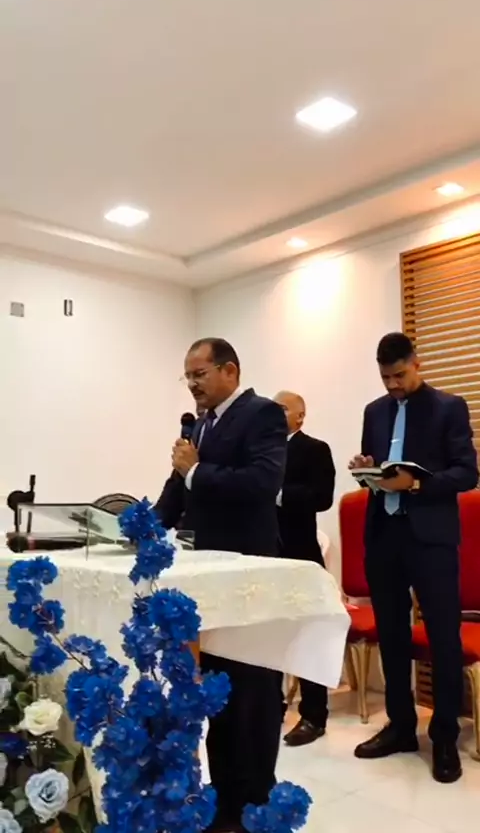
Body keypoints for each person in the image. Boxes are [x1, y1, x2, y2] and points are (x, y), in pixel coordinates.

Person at [156, 337, 288, 833]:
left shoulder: (263, 414)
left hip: (247, 576)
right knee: (218, 692)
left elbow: (262, 483)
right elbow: (178, 491)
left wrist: (196, 470)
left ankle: (255, 802)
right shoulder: (200, 424)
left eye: (200, 374)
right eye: (187, 376)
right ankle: (226, 802)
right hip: (208, 580)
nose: (192, 384)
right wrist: (136, 528)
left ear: (229, 371)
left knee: (253, 695)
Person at [349, 332, 478, 783]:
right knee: (391, 635)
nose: (393, 385)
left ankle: (444, 737)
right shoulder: (374, 411)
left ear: (416, 364)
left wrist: (417, 483)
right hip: (383, 535)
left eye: (399, 375)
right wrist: (366, 469)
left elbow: (467, 473)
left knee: (443, 637)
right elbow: (378, 470)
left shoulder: (448, 407)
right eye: (385, 377)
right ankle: (401, 726)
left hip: (431, 539)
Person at [274, 391, 335, 746]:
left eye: (282, 408)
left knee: (308, 637)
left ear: (300, 416)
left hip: (299, 554)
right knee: (269, 635)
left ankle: (314, 715)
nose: (274, 412)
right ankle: (272, 705)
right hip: (264, 556)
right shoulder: (259, 451)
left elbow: (322, 497)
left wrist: (278, 494)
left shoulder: (315, 449)